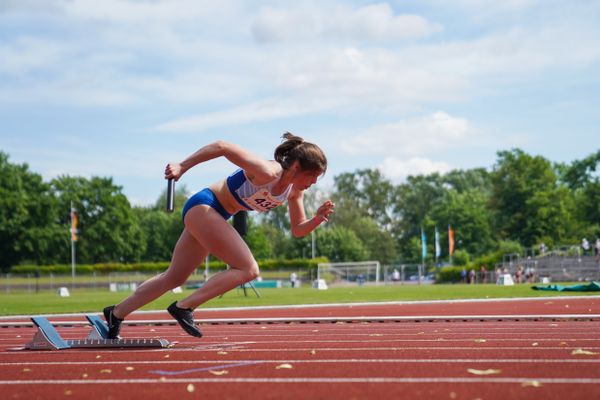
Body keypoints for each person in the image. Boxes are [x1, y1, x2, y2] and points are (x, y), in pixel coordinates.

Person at [103, 133, 334, 338]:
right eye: (313, 176)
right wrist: (182, 166)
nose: (314, 183)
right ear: (295, 167)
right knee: (249, 269)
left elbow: (298, 229)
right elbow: (222, 146)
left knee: (174, 277)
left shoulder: (294, 193)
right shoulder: (267, 171)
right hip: (205, 205)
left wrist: (316, 219)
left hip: (215, 215)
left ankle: (116, 313)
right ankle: (184, 307)